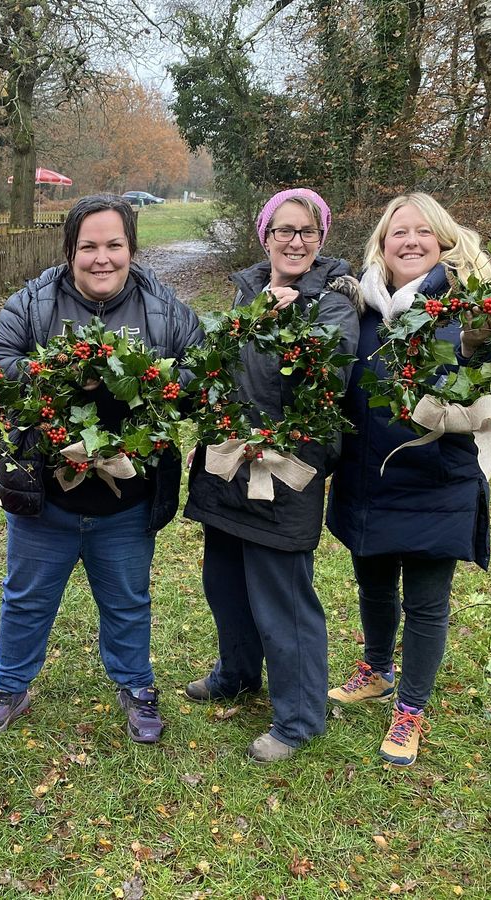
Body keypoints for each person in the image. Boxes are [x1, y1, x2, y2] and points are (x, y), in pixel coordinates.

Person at [0, 193, 202, 743]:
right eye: (89, 246)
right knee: (26, 597)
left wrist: (147, 378)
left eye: (115, 245)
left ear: (131, 248)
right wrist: (58, 371)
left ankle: (136, 685)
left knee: (127, 599)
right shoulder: (34, 301)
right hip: (45, 493)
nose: (103, 258)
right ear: (69, 250)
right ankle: (9, 685)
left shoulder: (164, 308)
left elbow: (197, 371)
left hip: (127, 496)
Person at [184, 188, 360, 763]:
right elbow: (215, 365)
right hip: (228, 463)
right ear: (265, 237)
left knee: (283, 598)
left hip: (284, 471)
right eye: (283, 230)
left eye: (307, 231)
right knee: (225, 584)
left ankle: (300, 715)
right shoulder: (245, 292)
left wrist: (292, 332)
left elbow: (330, 374)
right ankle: (236, 672)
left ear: (321, 239)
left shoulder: (332, 303)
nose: (294, 241)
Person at [325, 192, 491, 766]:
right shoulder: (363, 310)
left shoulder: (468, 310)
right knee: (373, 584)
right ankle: (375, 668)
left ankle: (411, 708)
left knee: (426, 602)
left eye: (423, 231)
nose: (411, 241)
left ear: (444, 241)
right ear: (382, 242)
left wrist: (479, 363)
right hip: (368, 474)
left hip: (436, 478)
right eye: (399, 232)